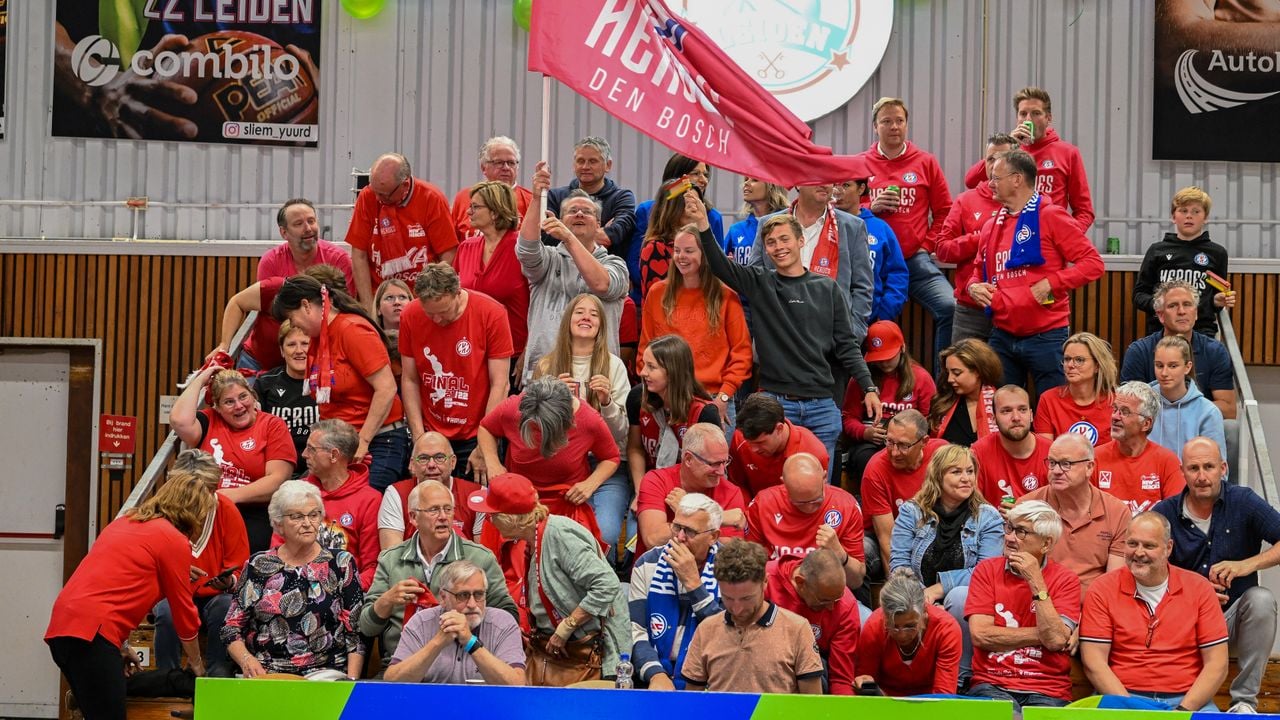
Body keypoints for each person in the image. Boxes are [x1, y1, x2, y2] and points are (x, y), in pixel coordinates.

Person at [693, 193, 882, 481]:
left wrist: (868, 387)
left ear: (800, 241)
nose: (779, 247)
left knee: (818, 488)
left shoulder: (828, 289)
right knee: (777, 486)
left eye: (784, 239)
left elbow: (847, 345)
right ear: (765, 249)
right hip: (776, 406)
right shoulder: (760, 282)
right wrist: (704, 227)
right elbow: (721, 266)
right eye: (771, 242)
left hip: (822, 405)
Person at [45, 464, 215, 717]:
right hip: (93, 635)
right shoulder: (173, 539)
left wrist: (122, 645)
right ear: (194, 512)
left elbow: (112, 583)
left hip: (64, 628)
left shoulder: (125, 522)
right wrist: (197, 665)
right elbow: (184, 613)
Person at [1154, 437, 1280, 714]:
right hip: (1182, 624)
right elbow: (1145, 569)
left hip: (1230, 621)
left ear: (1223, 468)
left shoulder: (1243, 501)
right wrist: (1193, 591)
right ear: (1182, 471)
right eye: (1193, 468)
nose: (1201, 476)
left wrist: (1246, 565)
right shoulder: (1164, 513)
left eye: (1208, 467)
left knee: (1261, 600)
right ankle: (1167, 697)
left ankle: (1244, 703)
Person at [964, 149, 1105, 396]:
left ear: (1017, 179)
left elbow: (1093, 264)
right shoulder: (990, 225)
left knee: (1052, 408)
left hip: (1046, 336)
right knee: (1001, 408)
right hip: (1002, 334)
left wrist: (1052, 282)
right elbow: (978, 268)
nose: (990, 184)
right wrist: (973, 286)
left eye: (996, 178)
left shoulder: (1051, 216)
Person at [468, 473, 630, 683]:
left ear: (511, 519)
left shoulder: (560, 535)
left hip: (587, 655)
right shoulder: (532, 537)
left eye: (493, 516)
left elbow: (606, 585)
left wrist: (565, 628)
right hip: (558, 654)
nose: (490, 521)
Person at [272, 275, 409, 492]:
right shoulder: (319, 337)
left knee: (359, 506)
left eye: (291, 318)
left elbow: (386, 388)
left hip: (375, 442)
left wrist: (363, 441)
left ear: (306, 306)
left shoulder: (352, 329)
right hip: (338, 444)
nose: (293, 325)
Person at [360, 480, 516, 670]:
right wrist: (387, 600)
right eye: (434, 510)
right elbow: (367, 627)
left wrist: (470, 617)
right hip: (402, 667)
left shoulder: (480, 558)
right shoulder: (391, 559)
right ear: (413, 517)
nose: (443, 517)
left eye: (448, 509)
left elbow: (508, 617)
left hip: (464, 667)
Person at [1080, 512, 1229, 712]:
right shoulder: (1102, 589)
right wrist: (1133, 711)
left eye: (1149, 546)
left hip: (1188, 700)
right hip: (1122, 698)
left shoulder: (1199, 588)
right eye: (1132, 544)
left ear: (1168, 548)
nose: (1139, 552)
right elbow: (1094, 663)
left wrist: (1182, 713)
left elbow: (1217, 664)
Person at [221, 480, 365, 679]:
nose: (307, 523)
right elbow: (231, 628)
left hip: (325, 675)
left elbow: (355, 634)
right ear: (278, 523)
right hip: (267, 674)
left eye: (313, 515)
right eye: (297, 516)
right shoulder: (258, 564)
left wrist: (351, 683)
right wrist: (247, 660)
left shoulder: (341, 563)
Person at [533, 294, 633, 562]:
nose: (586, 317)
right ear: (568, 320)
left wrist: (606, 402)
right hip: (561, 466)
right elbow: (534, 432)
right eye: (579, 312)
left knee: (605, 533)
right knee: (557, 535)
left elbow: (621, 433)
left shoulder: (614, 365)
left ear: (601, 325)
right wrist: (554, 403)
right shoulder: (546, 365)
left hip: (608, 468)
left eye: (594, 314)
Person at [891, 443, 1003, 682]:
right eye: (956, 472)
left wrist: (939, 589)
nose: (966, 478)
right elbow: (899, 565)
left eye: (970, 471)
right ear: (937, 476)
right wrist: (922, 599)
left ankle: (960, 679)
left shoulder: (988, 517)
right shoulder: (912, 512)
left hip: (967, 602)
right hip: (918, 597)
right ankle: (909, 678)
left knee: (959, 597)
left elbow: (987, 572)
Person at [859, 96, 955, 365]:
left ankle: (943, 382)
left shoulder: (925, 162)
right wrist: (870, 206)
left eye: (899, 121)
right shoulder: (860, 163)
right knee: (861, 319)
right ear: (875, 127)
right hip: (870, 263)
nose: (894, 126)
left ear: (906, 124)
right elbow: (843, 207)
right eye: (886, 121)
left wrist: (927, 244)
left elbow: (945, 211)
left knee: (950, 307)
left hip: (914, 261)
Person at [519, 161, 630, 381]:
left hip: (596, 379)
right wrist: (536, 198)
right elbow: (526, 250)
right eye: (572, 211)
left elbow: (602, 284)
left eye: (587, 212)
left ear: (598, 224)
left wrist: (569, 238)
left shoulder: (615, 264)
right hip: (545, 374)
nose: (579, 214)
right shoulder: (549, 259)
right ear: (560, 220)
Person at [399, 263, 514, 475]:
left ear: (458, 293)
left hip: (475, 433)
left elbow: (500, 384)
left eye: (443, 311)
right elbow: (410, 379)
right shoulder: (410, 314)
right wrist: (419, 438)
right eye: (429, 313)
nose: (437, 319)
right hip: (431, 431)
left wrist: (485, 444)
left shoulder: (491, 313)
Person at [964, 500, 1080, 708]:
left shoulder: (1066, 580)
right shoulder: (986, 570)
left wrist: (1036, 581)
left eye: (1021, 532)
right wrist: (1043, 635)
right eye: (1009, 528)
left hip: (1047, 688)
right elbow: (981, 635)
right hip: (992, 683)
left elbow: (1055, 641)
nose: (1009, 538)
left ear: (1046, 544)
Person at [638, 224, 751, 438]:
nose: (681, 257)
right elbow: (645, 348)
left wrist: (724, 396)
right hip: (666, 397)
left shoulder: (726, 296)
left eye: (689, 251)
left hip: (713, 398)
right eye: (677, 250)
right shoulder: (657, 293)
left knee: (712, 459)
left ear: (705, 254)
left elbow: (742, 354)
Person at [169, 366, 296, 552]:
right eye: (229, 402)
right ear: (218, 408)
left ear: (253, 396)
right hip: (204, 510)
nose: (238, 406)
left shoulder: (272, 425)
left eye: (243, 396)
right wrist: (201, 379)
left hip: (252, 511)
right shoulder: (209, 419)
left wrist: (229, 496)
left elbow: (277, 480)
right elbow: (179, 421)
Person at [475, 376, 619, 535]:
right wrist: (493, 463)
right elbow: (486, 428)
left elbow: (611, 457)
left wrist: (590, 483)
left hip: (566, 501)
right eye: (534, 427)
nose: (538, 433)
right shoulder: (513, 408)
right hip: (518, 498)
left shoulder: (589, 420)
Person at [150, 451, 249, 679]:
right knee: (166, 611)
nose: (198, 498)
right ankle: (167, 677)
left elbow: (241, 569)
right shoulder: (161, 512)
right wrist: (175, 573)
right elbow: (149, 565)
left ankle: (217, 676)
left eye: (206, 490)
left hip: (215, 596)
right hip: (171, 593)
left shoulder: (226, 510)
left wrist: (229, 581)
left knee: (225, 607)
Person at [680, 539, 824, 694]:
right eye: (728, 598)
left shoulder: (797, 629)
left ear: (765, 582)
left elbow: (812, 702)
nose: (737, 609)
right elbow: (692, 700)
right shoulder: (706, 630)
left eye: (746, 598)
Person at [747, 179, 876, 340]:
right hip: (778, 337)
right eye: (817, 177)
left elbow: (863, 287)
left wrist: (853, 334)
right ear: (797, 183)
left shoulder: (853, 227)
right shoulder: (768, 224)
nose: (825, 184)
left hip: (833, 340)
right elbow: (753, 281)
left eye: (828, 179)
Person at [960, 87, 1095, 230]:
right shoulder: (1010, 150)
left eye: (1036, 113)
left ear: (1048, 118)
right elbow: (971, 181)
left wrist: (1068, 235)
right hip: (1011, 234)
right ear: (1017, 118)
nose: (1028, 119)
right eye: (1023, 114)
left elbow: (1084, 210)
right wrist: (1007, 147)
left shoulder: (1067, 153)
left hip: (1048, 235)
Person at [628, 493, 725, 690]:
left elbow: (728, 635)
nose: (680, 537)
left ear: (713, 537)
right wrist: (656, 675)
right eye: (677, 527)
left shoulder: (731, 567)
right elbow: (636, 631)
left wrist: (694, 585)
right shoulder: (647, 564)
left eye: (690, 531)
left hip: (713, 678)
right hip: (655, 676)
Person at [345, 152, 458, 310]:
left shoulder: (431, 198)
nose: (377, 198)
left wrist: (430, 301)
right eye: (374, 190)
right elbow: (359, 254)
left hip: (421, 299)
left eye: (383, 194)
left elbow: (448, 255)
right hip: (380, 299)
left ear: (404, 185)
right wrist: (369, 307)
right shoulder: (368, 196)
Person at [1017, 434, 1129, 593]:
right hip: (1039, 598)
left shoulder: (1117, 512)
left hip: (1093, 603)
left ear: (1089, 467)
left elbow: (1113, 583)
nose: (1056, 471)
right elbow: (1018, 573)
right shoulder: (1026, 507)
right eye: (1052, 463)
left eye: (1066, 464)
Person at [383, 560, 525, 685]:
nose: (472, 604)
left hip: (486, 705)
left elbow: (517, 684)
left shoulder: (503, 623)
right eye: (462, 595)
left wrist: (470, 642)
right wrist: (438, 642)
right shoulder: (421, 622)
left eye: (478, 594)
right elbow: (392, 681)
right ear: (443, 597)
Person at [937, 133, 1017, 345]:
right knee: (959, 366)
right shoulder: (965, 200)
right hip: (970, 310)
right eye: (990, 159)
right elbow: (942, 249)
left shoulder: (1026, 202)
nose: (995, 164)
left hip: (1013, 308)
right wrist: (981, 239)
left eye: (1003, 158)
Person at [747, 453, 866, 591]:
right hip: (777, 592)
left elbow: (856, 581)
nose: (809, 507)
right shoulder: (762, 504)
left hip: (827, 594)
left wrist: (839, 553)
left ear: (825, 477)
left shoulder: (846, 506)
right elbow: (750, 569)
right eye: (800, 503)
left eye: (817, 500)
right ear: (784, 483)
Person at [842, 321, 936, 491]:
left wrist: (907, 438)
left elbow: (929, 419)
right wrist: (865, 433)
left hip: (908, 441)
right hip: (870, 441)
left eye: (889, 357)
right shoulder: (862, 379)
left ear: (902, 348)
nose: (884, 363)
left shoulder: (921, 378)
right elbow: (848, 418)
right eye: (879, 359)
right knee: (866, 458)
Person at [1121, 280, 1236, 420]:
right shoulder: (1138, 352)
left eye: (1187, 304)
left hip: (1197, 428)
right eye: (1173, 306)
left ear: (1196, 313)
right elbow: (1128, 406)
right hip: (1153, 428)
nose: (1181, 311)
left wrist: (1182, 409)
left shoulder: (1215, 351)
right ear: (1161, 315)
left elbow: (1228, 410)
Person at [210, 263, 348, 374]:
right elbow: (237, 303)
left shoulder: (337, 311)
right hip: (257, 363)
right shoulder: (276, 289)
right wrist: (224, 344)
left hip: (304, 369)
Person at [636, 423, 747, 557]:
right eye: (714, 464)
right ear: (688, 459)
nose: (721, 471)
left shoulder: (731, 492)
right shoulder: (656, 481)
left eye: (725, 462)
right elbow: (653, 540)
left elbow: (731, 554)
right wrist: (715, 517)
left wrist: (686, 516)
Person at [861, 409, 948, 581]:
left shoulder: (941, 454)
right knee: (863, 550)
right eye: (889, 442)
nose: (894, 452)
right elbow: (888, 539)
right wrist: (900, 586)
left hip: (934, 534)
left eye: (903, 445)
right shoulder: (875, 470)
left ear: (924, 441)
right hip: (888, 538)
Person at [1135, 186, 1233, 337]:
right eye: (1183, 210)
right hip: (1161, 331)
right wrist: (1160, 304)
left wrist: (1217, 301)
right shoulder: (1157, 251)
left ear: (1205, 217)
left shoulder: (1217, 253)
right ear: (1174, 217)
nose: (1189, 216)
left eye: (1196, 211)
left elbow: (1216, 298)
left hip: (1201, 331)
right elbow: (1139, 295)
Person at [298, 419, 383, 590]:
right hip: (299, 587)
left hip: (346, 592)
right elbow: (279, 549)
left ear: (334, 455)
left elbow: (372, 567)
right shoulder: (297, 491)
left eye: (312, 449)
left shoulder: (369, 500)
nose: (304, 454)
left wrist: (340, 592)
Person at [626, 334, 721, 484]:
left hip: (691, 488)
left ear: (672, 372)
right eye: (644, 364)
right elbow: (635, 448)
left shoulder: (705, 413)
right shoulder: (638, 397)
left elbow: (712, 469)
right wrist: (641, 489)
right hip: (649, 482)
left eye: (651, 367)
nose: (643, 372)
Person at [765, 549, 862, 695]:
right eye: (824, 600)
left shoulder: (846, 606)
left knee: (815, 664)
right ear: (800, 582)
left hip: (815, 666)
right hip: (766, 657)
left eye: (836, 599)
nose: (831, 607)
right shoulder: (764, 581)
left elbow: (841, 679)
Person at [454, 180, 531, 363]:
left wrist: (529, 350)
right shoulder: (466, 248)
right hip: (472, 350)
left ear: (495, 212)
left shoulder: (522, 248)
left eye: (475, 207)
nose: (468, 212)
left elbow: (538, 303)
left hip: (513, 353)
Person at [856, 567, 963, 697]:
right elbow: (866, 679)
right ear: (884, 616)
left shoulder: (946, 629)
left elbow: (944, 696)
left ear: (924, 612)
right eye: (893, 626)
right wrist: (866, 685)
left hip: (931, 702)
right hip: (884, 700)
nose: (902, 635)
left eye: (910, 626)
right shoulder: (874, 625)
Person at [634, 156, 722, 299]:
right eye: (695, 173)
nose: (696, 208)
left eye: (698, 202)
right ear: (675, 208)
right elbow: (659, 298)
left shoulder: (709, 225)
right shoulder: (656, 247)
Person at [1094, 381, 1186, 515]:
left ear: (1146, 424)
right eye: (1115, 409)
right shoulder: (1096, 457)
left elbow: (1176, 515)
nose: (1115, 416)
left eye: (1125, 412)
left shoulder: (1167, 461)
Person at [378, 432, 484, 548]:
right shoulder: (396, 493)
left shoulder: (477, 494)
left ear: (453, 462)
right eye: (423, 458)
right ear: (412, 464)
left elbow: (483, 555)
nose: (431, 465)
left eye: (439, 457)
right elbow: (391, 553)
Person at [832, 173, 910, 325]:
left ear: (861, 189)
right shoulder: (823, 224)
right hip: (830, 318)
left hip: (870, 320)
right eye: (835, 185)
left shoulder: (880, 228)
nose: (838, 191)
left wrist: (884, 313)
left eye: (846, 185)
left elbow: (897, 274)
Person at [545, 136, 638, 257]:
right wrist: (596, 233)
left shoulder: (622, 198)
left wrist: (564, 233)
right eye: (580, 161)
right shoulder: (555, 196)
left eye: (593, 161)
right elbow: (545, 238)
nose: (585, 167)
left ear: (608, 165)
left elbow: (612, 235)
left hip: (605, 266)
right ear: (574, 164)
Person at [729, 392, 829, 499]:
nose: (753, 449)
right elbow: (737, 488)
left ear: (779, 428)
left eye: (760, 442)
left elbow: (813, 500)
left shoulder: (813, 454)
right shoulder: (739, 439)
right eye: (749, 442)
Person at [255, 322, 319, 477]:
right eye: (291, 344)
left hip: (319, 468)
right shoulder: (265, 383)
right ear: (282, 351)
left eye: (305, 343)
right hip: (276, 467)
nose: (299, 350)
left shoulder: (329, 382)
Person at [1034, 331, 1117, 446]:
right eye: (1067, 359)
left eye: (1079, 360)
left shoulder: (1115, 401)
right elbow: (1044, 450)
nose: (1070, 365)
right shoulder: (1048, 399)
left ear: (1097, 366)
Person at [1150, 335, 1226, 459]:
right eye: (1159, 365)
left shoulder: (1208, 412)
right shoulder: (1141, 403)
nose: (1164, 373)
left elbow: (1216, 466)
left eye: (1173, 366)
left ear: (1187, 367)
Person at [973, 386, 1052, 504]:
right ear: (994, 419)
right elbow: (974, 505)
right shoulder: (978, 452)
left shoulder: (1051, 452)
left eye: (1022, 409)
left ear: (1031, 415)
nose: (1016, 417)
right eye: (1006, 411)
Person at [257, 198, 354, 289]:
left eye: (311, 221)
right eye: (298, 224)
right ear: (284, 233)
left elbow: (345, 300)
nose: (308, 228)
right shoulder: (271, 262)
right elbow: (265, 300)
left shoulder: (338, 259)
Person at [450, 136, 533, 240]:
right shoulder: (464, 198)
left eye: (511, 163)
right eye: (499, 162)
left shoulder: (531, 201)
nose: (506, 168)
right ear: (483, 167)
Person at [929, 339, 1003, 446]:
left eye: (956, 373)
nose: (949, 379)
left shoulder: (1004, 401)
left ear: (977, 371)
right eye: (948, 372)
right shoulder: (942, 403)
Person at [725, 177, 788, 266]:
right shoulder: (735, 230)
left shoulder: (788, 224)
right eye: (746, 179)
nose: (746, 183)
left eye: (755, 180)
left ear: (772, 186)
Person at [373, 278, 412, 377]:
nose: (397, 302)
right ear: (378, 309)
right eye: (389, 298)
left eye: (402, 297)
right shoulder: (371, 340)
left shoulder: (423, 339)